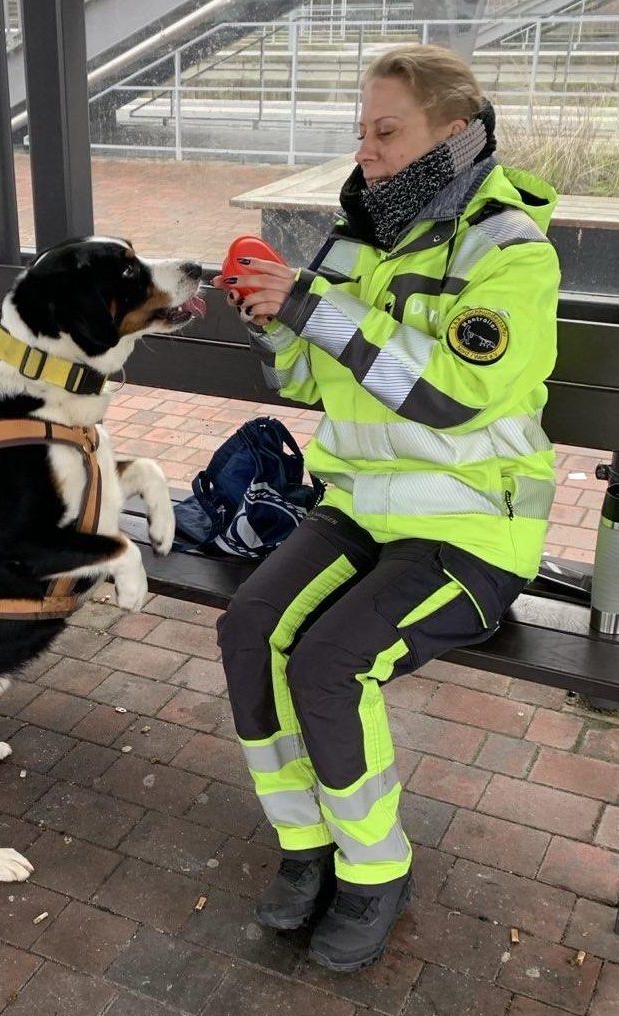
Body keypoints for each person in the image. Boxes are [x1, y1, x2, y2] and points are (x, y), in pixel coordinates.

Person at [213, 43, 560, 973]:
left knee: (329, 662)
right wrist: (274, 322)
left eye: (386, 130)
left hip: (471, 531)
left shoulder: (509, 251)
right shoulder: (359, 236)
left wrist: (316, 304)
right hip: (361, 509)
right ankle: (305, 846)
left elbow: (450, 395)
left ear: (455, 133)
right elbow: (314, 380)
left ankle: (375, 868)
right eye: (360, 132)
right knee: (249, 630)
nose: (364, 151)